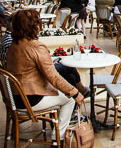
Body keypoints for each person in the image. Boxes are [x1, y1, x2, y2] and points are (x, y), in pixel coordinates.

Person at [6, 10, 84, 142]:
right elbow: (53, 77)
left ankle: (57, 129)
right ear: (33, 26)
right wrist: (75, 93)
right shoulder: (35, 46)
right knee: (70, 99)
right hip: (31, 99)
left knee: (67, 81)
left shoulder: (14, 45)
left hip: (14, 98)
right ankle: (58, 137)